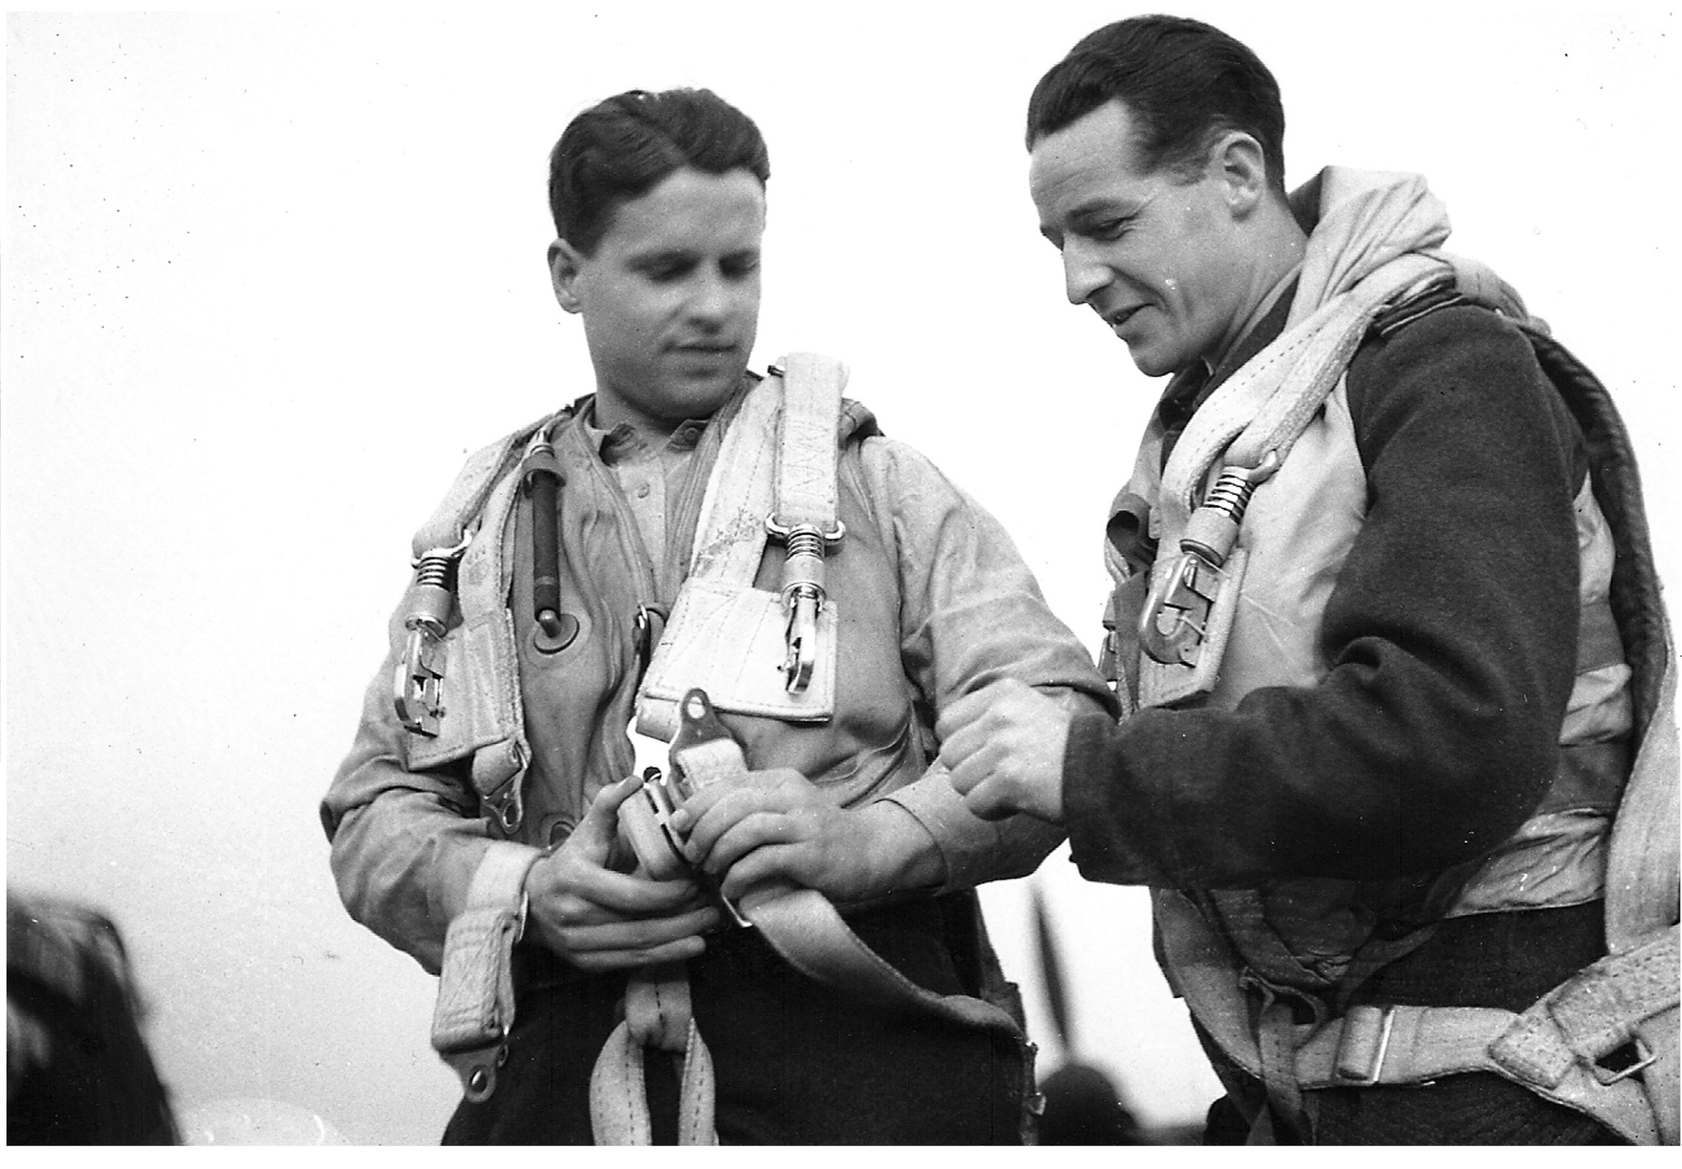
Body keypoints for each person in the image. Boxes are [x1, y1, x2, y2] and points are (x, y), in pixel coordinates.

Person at [320, 86, 1113, 1145]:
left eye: (737, 266)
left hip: (862, 1065)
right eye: (664, 269)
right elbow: (373, 812)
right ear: (568, 275)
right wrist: (527, 887)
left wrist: (864, 841)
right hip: (566, 1072)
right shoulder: (476, 537)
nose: (712, 305)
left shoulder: (880, 486)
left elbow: (1055, 719)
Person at [937, 15, 1678, 1146]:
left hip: (1505, 1089)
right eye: (1054, 242)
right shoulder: (1221, 428)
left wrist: (1092, 771)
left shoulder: (1441, 364)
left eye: (1104, 225)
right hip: (1336, 1092)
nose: (1077, 281)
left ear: (1237, 174)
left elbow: (1453, 736)